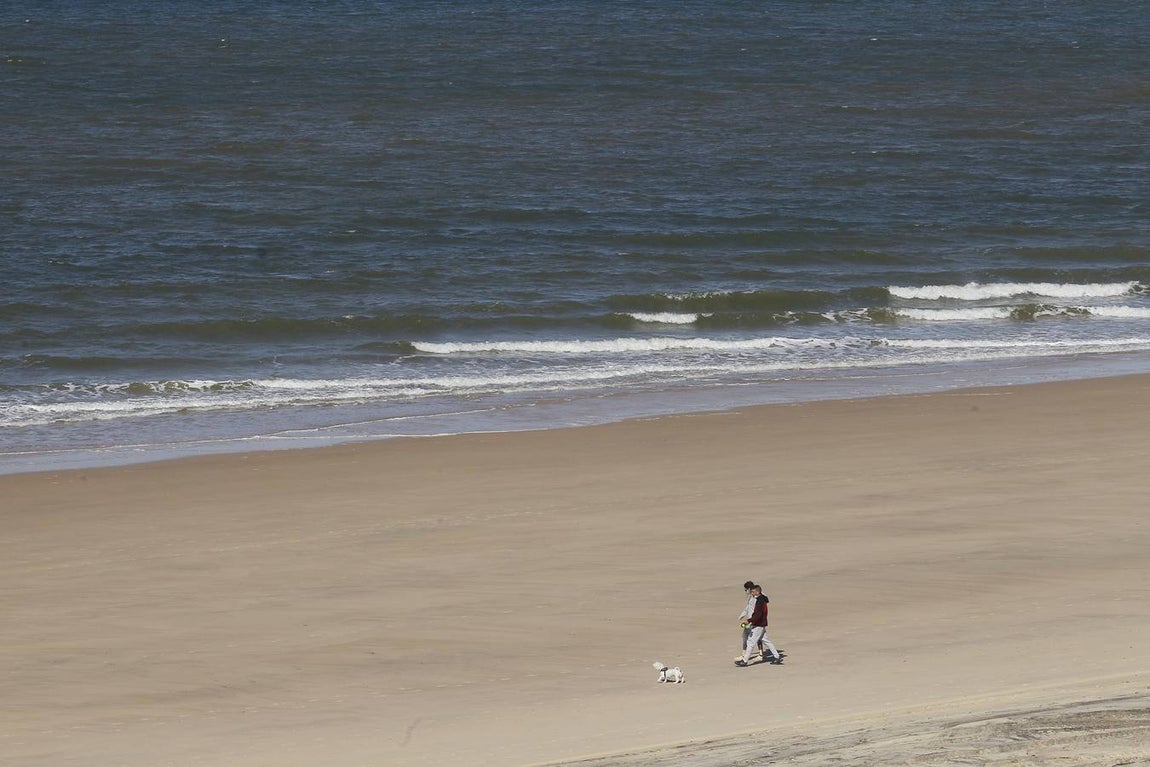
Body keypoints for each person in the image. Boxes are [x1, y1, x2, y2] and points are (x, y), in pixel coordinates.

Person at [736, 584, 781, 666]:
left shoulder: (759, 601)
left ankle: (744, 661)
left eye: (753, 592)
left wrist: (749, 621)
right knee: (766, 641)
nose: (751, 593)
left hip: (758, 625)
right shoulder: (762, 599)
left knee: (750, 642)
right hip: (761, 624)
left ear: (757, 592)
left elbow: (757, 614)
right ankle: (777, 657)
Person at [737, 581, 759, 660]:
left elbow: (757, 610)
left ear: (749, 589)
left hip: (754, 621)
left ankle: (759, 654)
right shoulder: (750, 597)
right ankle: (744, 654)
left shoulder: (756, 597)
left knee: (757, 639)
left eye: (746, 590)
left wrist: (753, 619)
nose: (745, 591)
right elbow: (747, 608)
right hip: (749, 620)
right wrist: (742, 614)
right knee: (745, 636)